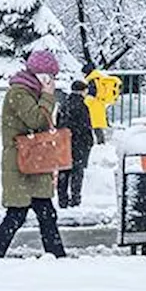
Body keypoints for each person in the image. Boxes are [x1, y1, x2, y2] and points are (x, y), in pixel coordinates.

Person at [0, 50, 67, 259]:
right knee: (17, 215)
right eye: (51, 76)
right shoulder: (19, 93)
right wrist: (48, 96)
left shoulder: (32, 92)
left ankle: (57, 256)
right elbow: (36, 120)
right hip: (21, 164)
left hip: (33, 163)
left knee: (46, 214)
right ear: (41, 75)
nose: (53, 81)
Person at [56, 80, 94, 208]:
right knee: (77, 172)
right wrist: (89, 141)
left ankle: (62, 200)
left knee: (63, 171)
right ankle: (75, 198)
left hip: (64, 142)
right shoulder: (82, 106)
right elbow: (85, 127)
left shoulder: (63, 104)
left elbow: (58, 124)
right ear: (83, 91)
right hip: (79, 143)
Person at [84, 68, 121, 145]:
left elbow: (92, 94)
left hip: (93, 105)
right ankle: (101, 142)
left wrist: (84, 101)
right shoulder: (99, 78)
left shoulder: (93, 80)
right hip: (99, 104)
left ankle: (99, 143)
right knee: (97, 125)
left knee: (93, 125)